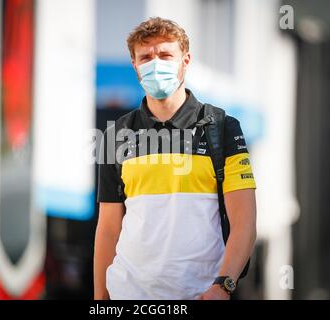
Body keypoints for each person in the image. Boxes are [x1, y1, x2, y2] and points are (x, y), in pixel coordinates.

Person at [94, 17, 257, 300]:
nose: (155, 63)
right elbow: (108, 227)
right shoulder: (116, 133)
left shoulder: (221, 127)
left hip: (199, 294)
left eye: (166, 54)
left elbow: (244, 223)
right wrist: (100, 299)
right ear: (135, 66)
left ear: (185, 60)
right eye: (145, 57)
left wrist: (223, 286)